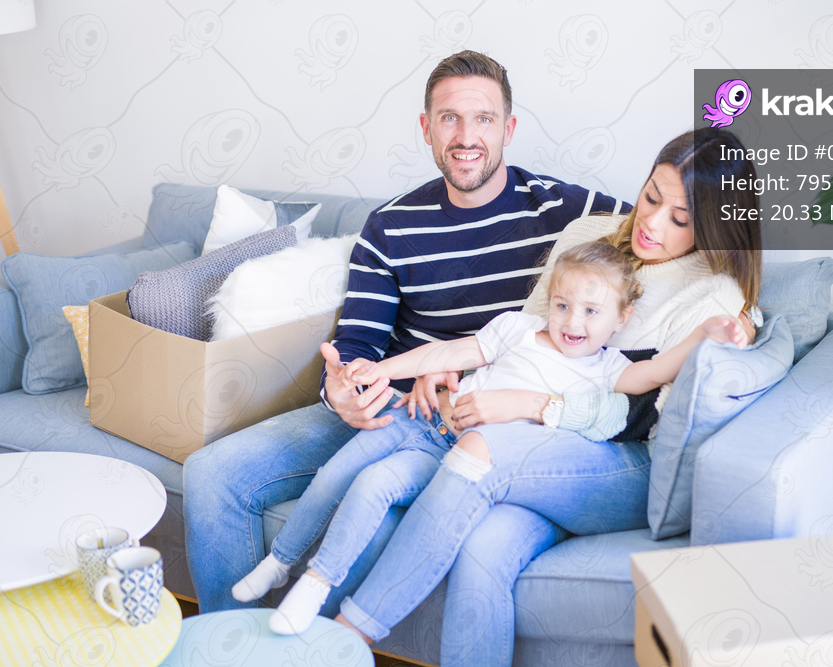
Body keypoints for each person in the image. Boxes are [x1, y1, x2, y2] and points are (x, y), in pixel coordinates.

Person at [182, 50, 629, 615]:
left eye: (484, 119)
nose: (466, 137)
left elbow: (667, 232)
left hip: (485, 424)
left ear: (509, 128)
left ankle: (318, 643)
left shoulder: (567, 210)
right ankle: (230, 645)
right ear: (426, 127)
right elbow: (358, 344)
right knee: (210, 473)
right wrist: (343, 390)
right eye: (449, 118)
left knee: (378, 514)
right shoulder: (391, 226)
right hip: (392, 407)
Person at [326, 127, 764, 657]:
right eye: (651, 197)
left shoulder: (714, 293)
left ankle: (348, 635)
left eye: (680, 219)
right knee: (483, 548)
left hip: (618, 459)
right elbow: (525, 344)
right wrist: (446, 373)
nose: (651, 223)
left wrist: (536, 407)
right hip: (535, 442)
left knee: (480, 451)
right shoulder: (591, 235)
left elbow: (644, 415)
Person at [236, 239, 748, 635]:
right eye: (563, 305)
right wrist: (380, 370)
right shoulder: (517, 329)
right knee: (340, 471)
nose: (572, 322)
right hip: (427, 423)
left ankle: (316, 586)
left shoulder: (609, 369)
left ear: (622, 319)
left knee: (375, 483)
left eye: (592, 312)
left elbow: (656, 371)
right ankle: (281, 564)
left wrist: (706, 334)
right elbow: (447, 355)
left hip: (452, 458)